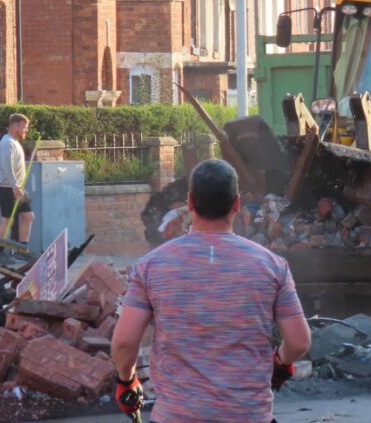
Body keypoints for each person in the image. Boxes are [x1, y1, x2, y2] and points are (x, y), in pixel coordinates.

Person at [111, 159, 311, 422]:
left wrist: (127, 381)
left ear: (190, 203)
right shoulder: (272, 266)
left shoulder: (150, 266)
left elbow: (125, 342)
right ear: (237, 204)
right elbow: (299, 341)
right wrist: (281, 361)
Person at [0, 113, 33, 247]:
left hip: (16, 187)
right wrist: (14, 186)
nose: (26, 130)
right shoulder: (7, 143)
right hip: (7, 187)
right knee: (7, 220)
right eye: (25, 127)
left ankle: (23, 248)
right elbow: (6, 166)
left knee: (28, 216)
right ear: (17, 126)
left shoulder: (14, 142)